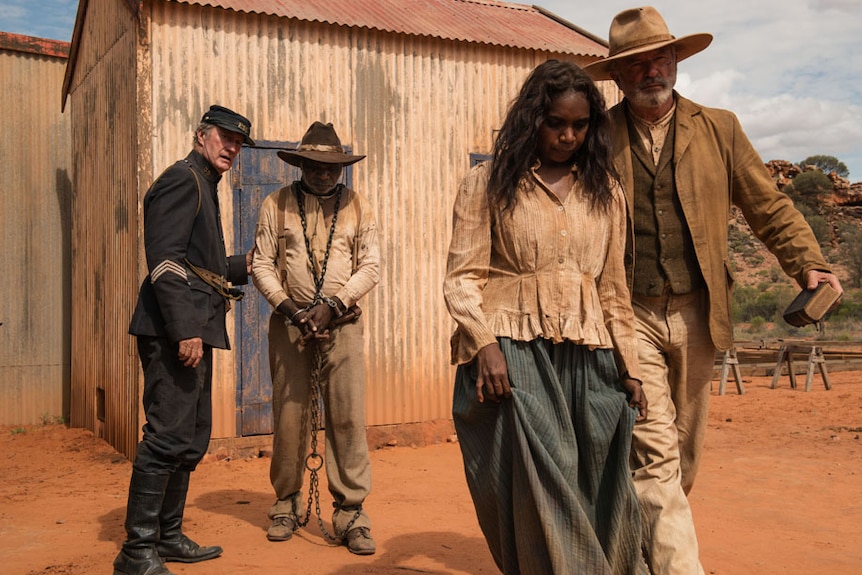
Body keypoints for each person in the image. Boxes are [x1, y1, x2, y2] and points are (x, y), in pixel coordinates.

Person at [583, 7, 844, 575]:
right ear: (619, 76)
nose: (653, 71)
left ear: (676, 61)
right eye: (638, 64)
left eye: (662, 58)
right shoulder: (598, 136)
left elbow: (767, 205)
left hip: (701, 313)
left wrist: (809, 264)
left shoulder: (719, 128)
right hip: (629, 314)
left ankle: (648, 549)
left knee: (683, 452)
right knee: (654, 453)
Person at [443, 59, 649, 575]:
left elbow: (614, 290)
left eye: (580, 125)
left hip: (591, 354)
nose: (568, 136)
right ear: (533, 117)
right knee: (544, 480)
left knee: (599, 481)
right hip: (514, 352)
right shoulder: (488, 181)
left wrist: (632, 367)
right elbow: (462, 275)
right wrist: (484, 344)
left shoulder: (606, 190)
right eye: (556, 122)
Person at [120, 105, 255, 575]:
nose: (233, 148)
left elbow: (202, 267)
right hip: (174, 331)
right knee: (167, 435)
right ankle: (137, 551)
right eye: (226, 138)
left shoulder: (204, 184)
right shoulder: (182, 180)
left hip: (193, 329)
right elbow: (166, 263)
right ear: (202, 136)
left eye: (239, 143)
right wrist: (186, 330)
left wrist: (243, 264)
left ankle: (168, 536)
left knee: (191, 437)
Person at [251, 121, 381, 555]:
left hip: (343, 326)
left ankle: (351, 514)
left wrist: (336, 305)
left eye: (332, 167)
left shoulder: (359, 206)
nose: (323, 174)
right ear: (301, 164)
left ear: (341, 168)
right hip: (291, 327)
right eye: (315, 165)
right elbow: (262, 265)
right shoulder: (277, 204)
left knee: (346, 418)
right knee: (290, 416)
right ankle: (285, 505)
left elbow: (371, 266)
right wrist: (293, 310)